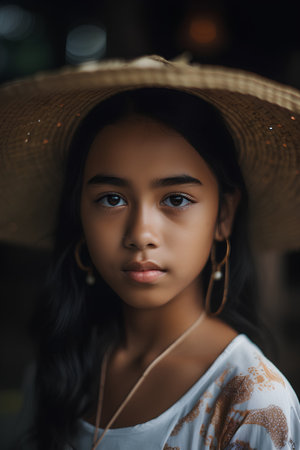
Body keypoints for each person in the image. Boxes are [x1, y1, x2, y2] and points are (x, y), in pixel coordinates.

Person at [0, 55, 299, 450]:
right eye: (111, 199)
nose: (141, 234)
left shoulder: (252, 404)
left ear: (223, 215)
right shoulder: (57, 367)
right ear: (79, 215)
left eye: (175, 198)